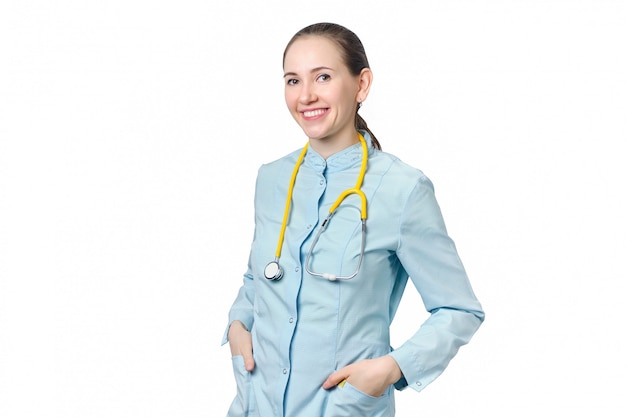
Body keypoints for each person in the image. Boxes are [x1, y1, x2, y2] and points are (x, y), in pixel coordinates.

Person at [222, 22, 484, 417]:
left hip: (344, 407)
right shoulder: (271, 179)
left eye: (323, 77)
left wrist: (391, 368)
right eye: (293, 80)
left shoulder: (402, 189)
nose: (306, 95)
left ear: (361, 85)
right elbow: (260, 276)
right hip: (256, 405)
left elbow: (459, 310)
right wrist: (238, 326)